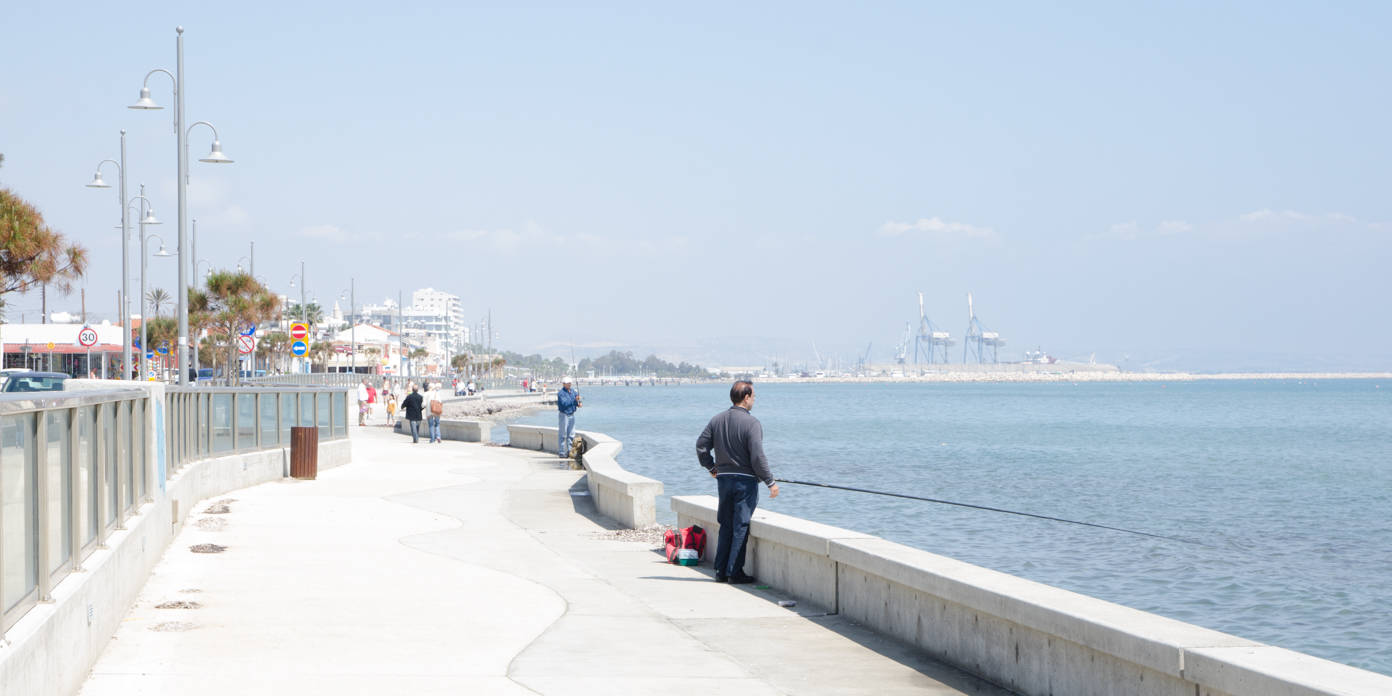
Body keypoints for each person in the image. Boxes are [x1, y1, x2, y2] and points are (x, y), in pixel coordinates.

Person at [695, 380, 779, 584]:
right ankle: (735, 572)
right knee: (740, 525)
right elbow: (757, 457)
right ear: (746, 397)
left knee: (726, 524)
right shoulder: (752, 423)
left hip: (723, 481)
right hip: (745, 482)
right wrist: (770, 481)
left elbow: (701, 445)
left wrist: (712, 467)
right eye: (754, 396)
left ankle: (720, 571)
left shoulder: (717, 420)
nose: (754, 400)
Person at [556, 377, 580, 458]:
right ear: (564, 384)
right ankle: (562, 452)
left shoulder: (573, 391)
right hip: (564, 415)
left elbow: (576, 401)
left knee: (571, 435)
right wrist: (574, 400)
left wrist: (578, 403)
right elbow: (564, 403)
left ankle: (570, 452)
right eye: (567, 383)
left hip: (572, 415)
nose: (569, 384)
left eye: (570, 382)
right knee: (562, 435)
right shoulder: (561, 393)